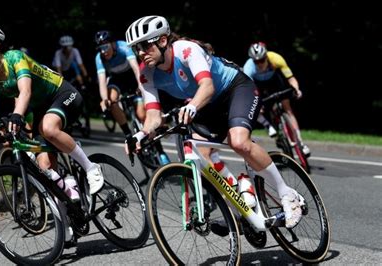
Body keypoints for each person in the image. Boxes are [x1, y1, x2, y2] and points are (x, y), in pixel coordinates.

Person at [124, 15, 303, 228]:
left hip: (235, 89)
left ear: (162, 41)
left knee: (239, 142)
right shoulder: (147, 75)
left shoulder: (185, 50)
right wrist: (140, 135)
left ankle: (288, 195)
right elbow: (153, 116)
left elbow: (207, 86)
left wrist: (191, 106)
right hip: (207, 104)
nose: (141, 53)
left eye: (145, 45)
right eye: (136, 48)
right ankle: (240, 196)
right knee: (202, 154)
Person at [0, 23, 103, 194]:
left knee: (48, 127)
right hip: (40, 109)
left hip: (61, 93)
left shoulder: (14, 57)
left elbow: (25, 91)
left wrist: (17, 115)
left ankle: (91, 168)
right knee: (44, 166)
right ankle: (70, 203)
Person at [95, 30, 169, 164]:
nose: (103, 51)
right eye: (100, 48)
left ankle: (160, 150)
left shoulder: (123, 46)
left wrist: (141, 87)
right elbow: (102, 81)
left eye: (105, 47)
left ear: (112, 44)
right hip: (117, 80)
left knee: (142, 114)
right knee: (111, 100)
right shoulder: (99, 58)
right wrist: (104, 99)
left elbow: (136, 68)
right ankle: (128, 134)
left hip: (132, 78)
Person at [243, 42, 310, 156]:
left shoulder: (276, 58)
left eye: (262, 60)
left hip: (274, 81)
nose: (259, 64)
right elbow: (247, 90)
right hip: (257, 86)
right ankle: (268, 125)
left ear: (266, 57)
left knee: (288, 109)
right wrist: (256, 104)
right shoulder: (248, 68)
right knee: (254, 107)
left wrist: (296, 89)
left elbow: (290, 77)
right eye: (256, 61)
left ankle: (301, 143)